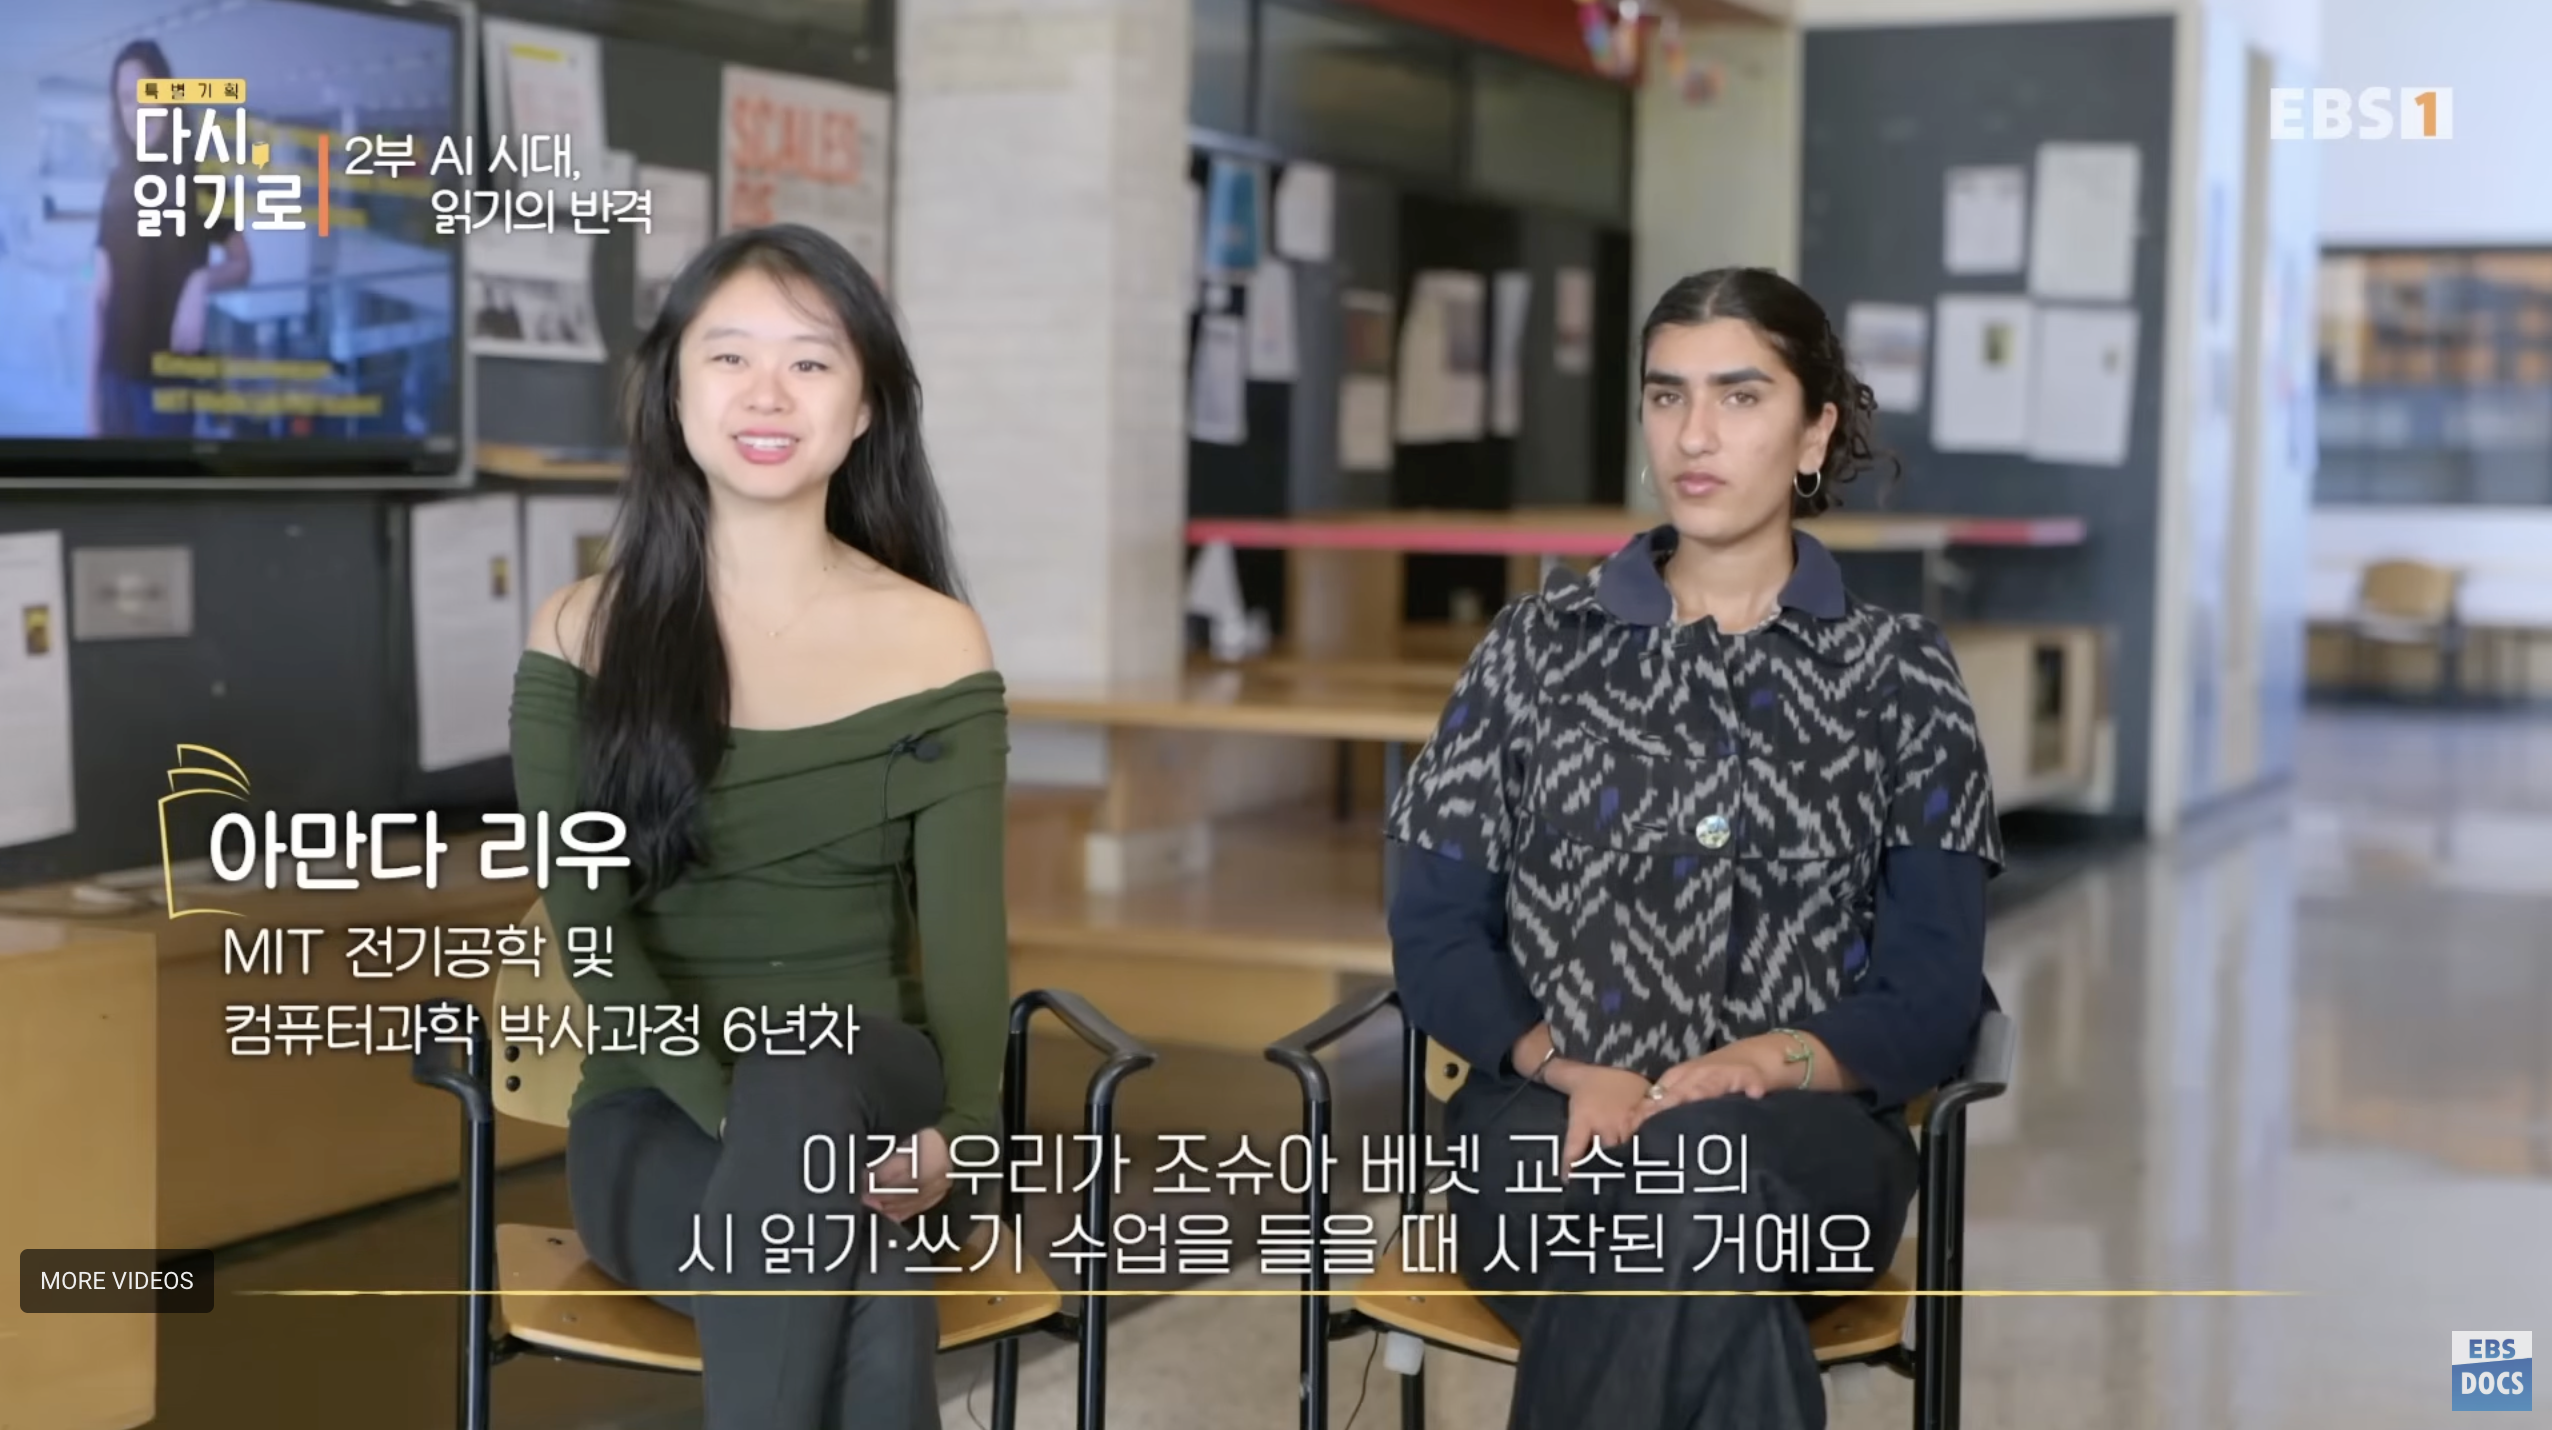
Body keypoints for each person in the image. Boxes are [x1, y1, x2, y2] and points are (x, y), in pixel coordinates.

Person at [1383, 266, 2004, 1429]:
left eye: (1739, 395)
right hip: (1542, 1130)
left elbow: (1931, 981)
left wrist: (1773, 1058)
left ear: (1812, 432)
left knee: (1696, 1175)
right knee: (1693, 1236)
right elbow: (1432, 930)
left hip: (1807, 1142)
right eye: (1666, 395)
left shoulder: (1900, 674)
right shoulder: (1532, 649)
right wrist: (1564, 1064)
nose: (1694, 433)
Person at [511, 223, 1009, 1428]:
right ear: (672, 392)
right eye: (729, 356)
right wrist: (761, 1133)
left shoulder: (936, 639)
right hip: (653, 1114)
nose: (767, 392)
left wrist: (963, 1135)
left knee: (804, 1072)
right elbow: (589, 933)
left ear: (864, 407)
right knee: (864, 1271)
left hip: (879, 1100)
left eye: (810, 360)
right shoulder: (580, 634)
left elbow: (965, 936)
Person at [92, 38, 254, 437]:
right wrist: (90, 403)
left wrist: (200, 281)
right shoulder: (117, 182)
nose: (139, 110)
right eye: (126, 99)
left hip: (168, 388)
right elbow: (99, 296)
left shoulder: (201, 176)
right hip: (114, 380)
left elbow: (242, 264)